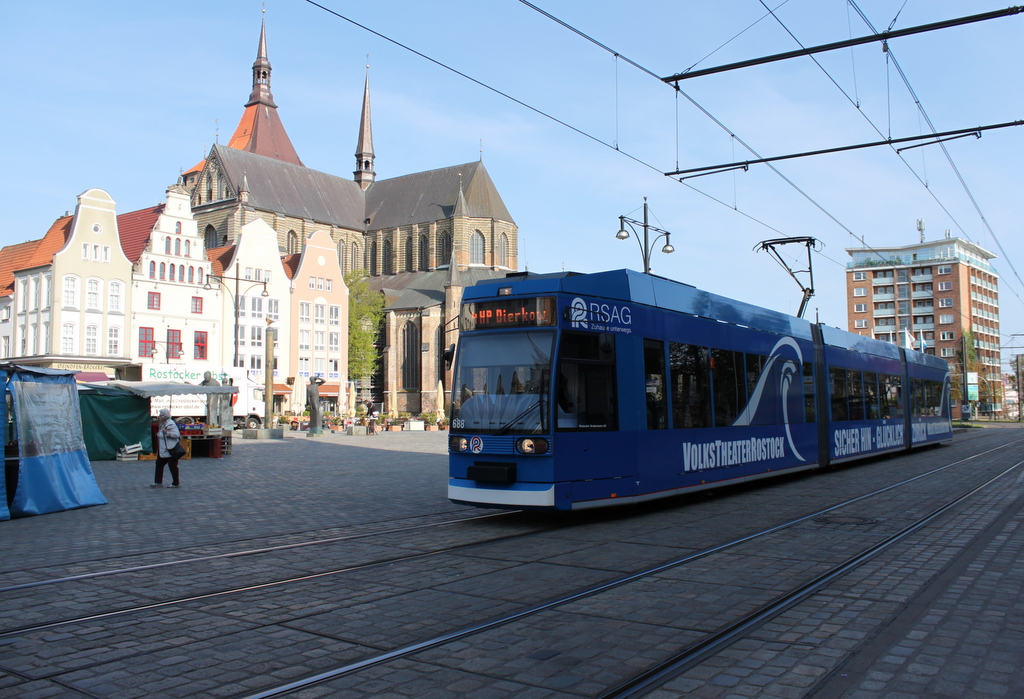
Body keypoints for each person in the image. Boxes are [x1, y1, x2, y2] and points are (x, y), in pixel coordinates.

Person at [153, 408, 182, 488]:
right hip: (163, 450)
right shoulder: (162, 424)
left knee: (172, 466)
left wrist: (167, 433)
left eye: (161, 415)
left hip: (170, 449)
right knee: (159, 464)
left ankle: (175, 482)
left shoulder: (171, 424)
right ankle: (158, 482)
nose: (159, 417)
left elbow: (177, 435)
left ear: (165, 416)